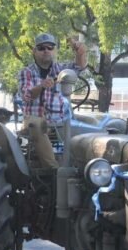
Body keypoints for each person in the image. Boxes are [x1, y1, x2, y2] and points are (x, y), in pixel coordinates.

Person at [18, 32, 87, 168]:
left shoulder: (61, 70)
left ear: (54, 50)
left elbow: (79, 66)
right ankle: (55, 170)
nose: (46, 51)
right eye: (42, 48)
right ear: (35, 51)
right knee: (37, 124)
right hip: (34, 121)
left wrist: (79, 51)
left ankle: (89, 167)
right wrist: (42, 86)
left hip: (60, 122)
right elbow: (28, 95)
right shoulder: (27, 72)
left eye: (50, 48)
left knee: (91, 124)